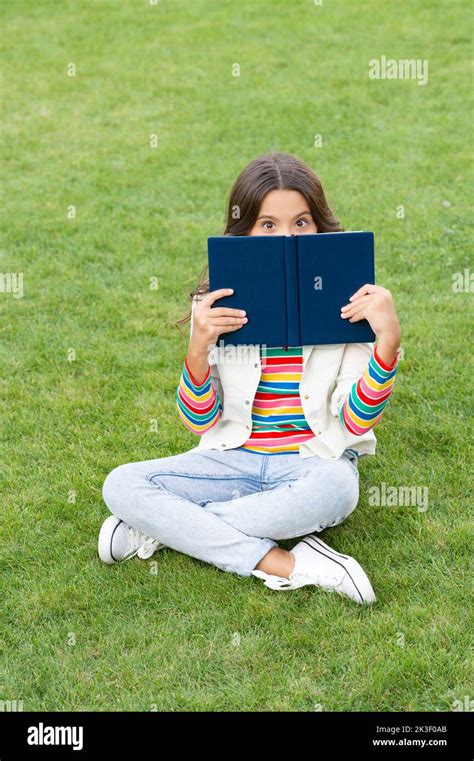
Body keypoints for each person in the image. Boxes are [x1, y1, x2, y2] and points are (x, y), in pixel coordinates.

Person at [98, 152, 401, 605]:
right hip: (230, 461)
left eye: (301, 223)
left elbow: (353, 424)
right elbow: (201, 422)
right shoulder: (221, 301)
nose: (286, 237)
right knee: (119, 484)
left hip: (313, 463)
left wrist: (386, 344)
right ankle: (293, 563)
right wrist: (198, 347)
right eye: (268, 225)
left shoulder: (349, 303)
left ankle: (164, 526)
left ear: (319, 227)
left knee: (338, 489)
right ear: (244, 231)